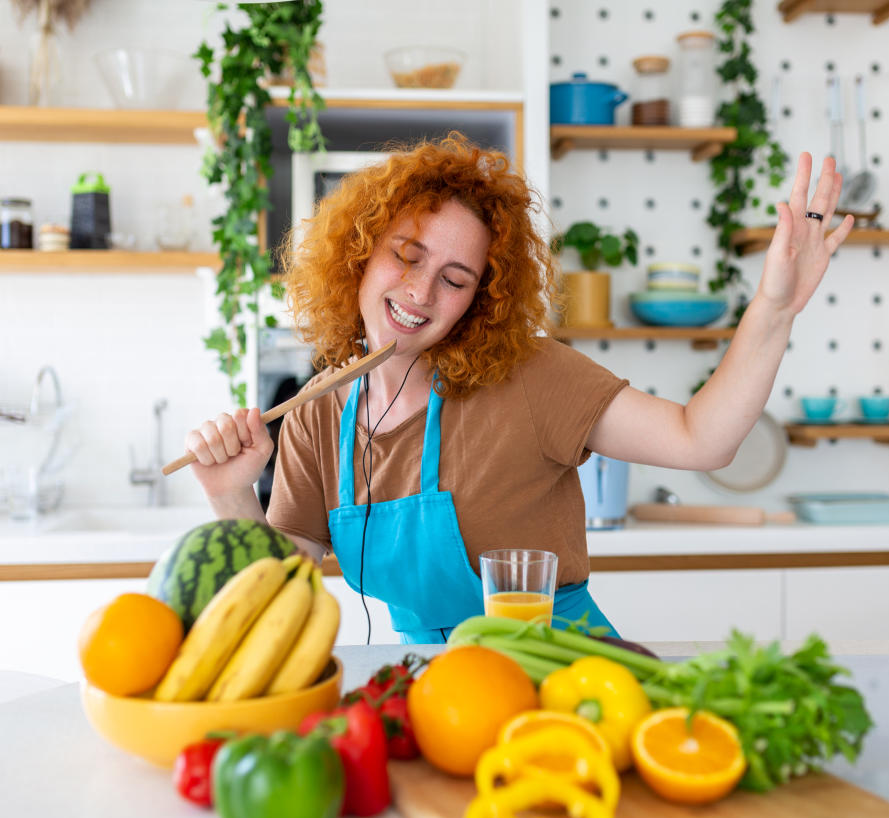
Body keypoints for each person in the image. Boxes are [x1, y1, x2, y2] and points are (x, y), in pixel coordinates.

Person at [184, 133, 854, 645]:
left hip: (569, 677)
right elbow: (282, 594)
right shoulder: (314, 416)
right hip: (429, 689)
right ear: (358, 255)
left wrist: (774, 308)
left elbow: (701, 438)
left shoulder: (529, 377)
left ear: (479, 300)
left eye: (455, 278)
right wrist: (230, 492)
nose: (420, 292)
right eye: (406, 256)